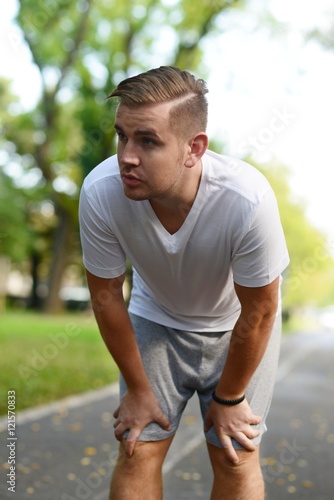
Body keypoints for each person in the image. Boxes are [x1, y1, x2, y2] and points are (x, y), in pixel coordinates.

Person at [79, 66, 289, 500]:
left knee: (235, 454)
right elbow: (105, 296)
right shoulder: (101, 192)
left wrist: (229, 400)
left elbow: (261, 310)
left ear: (194, 149)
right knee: (137, 447)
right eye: (122, 136)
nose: (126, 157)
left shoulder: (246, 200)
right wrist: (138, 389)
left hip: (237, 328)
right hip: (156, 320)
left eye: (148, 141)